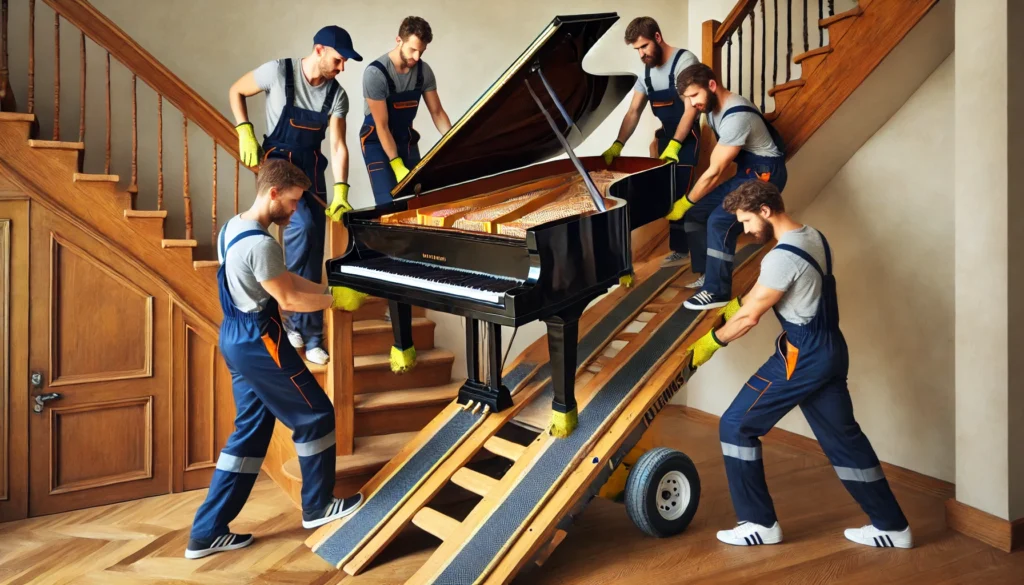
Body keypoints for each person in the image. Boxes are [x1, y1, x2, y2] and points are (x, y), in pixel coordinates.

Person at [687, 179, 912, 549]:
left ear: (765, 211)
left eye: (746, 222)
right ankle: (893, 527)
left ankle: (759, 523)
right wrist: (735, 306)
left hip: (802, 357)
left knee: (736, 426)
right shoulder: (814, 237)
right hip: (831, 350)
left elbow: (748, 318)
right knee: (845, 442)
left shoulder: (780, 258)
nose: (745, 230)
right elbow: (772, 295)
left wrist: (707, 344)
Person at [184, 160, 367, 560]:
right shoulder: (262, 243)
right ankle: (318, 507)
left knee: (249, 434)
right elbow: (287, 300)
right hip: (258, 338)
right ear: (273, 193)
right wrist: (335, 301)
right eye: (293, 201)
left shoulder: (233, 227)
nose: (296, 210)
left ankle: (206, 532)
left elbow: (280, 280)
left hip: (234, 334)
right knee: (316, 414)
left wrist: (325, 285)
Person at [229, 25, 361, 365]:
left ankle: (307, 331)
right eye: (338, 59)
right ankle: (295, 322)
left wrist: (341, 188)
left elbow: (337, 144)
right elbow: (236, 91)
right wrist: (244, 130)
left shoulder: (337, 95)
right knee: (302, 229)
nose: (341, 67)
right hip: (280, 167)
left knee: (314, 243)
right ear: (318, 50)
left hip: (312, 168)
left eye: (344, 62)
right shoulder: (278, 71)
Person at [360, 16, 452, 374]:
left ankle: (409, 283)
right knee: (390, 212)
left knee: (417, 212)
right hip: (378, 145)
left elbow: (437, 112)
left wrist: (451, 144)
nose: (415, 57)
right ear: (398, 40)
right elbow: (381, 125)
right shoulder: (375, 74)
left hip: (407, 142)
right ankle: (390, 296)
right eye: (412, 49)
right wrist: (397, 165)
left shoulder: (423, 71)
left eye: (421, 51)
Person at [668, 62, 788, 310]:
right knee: (696, 214)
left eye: (694, 96)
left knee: (720, 221)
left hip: (765, 174)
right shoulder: (711, 108)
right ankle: (706, 274)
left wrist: (685, 200)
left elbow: (714, 173)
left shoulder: (737, 115)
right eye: (687, 98)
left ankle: (716, 291)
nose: (692, 104)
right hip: (747, 171)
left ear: (712, 86)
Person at [601, 16, 702, 270]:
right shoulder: (645, 73)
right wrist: (618, 144)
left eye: (644, 46)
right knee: (664, 191)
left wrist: (677, 145)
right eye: (637, 49)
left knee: (681, 188)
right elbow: (633, 111)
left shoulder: (684, 62)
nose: (641, 54)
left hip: (687, 137)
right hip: (666, 135)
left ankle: (689, 251)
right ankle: (680, 250)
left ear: (657, 37)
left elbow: (691, 110)